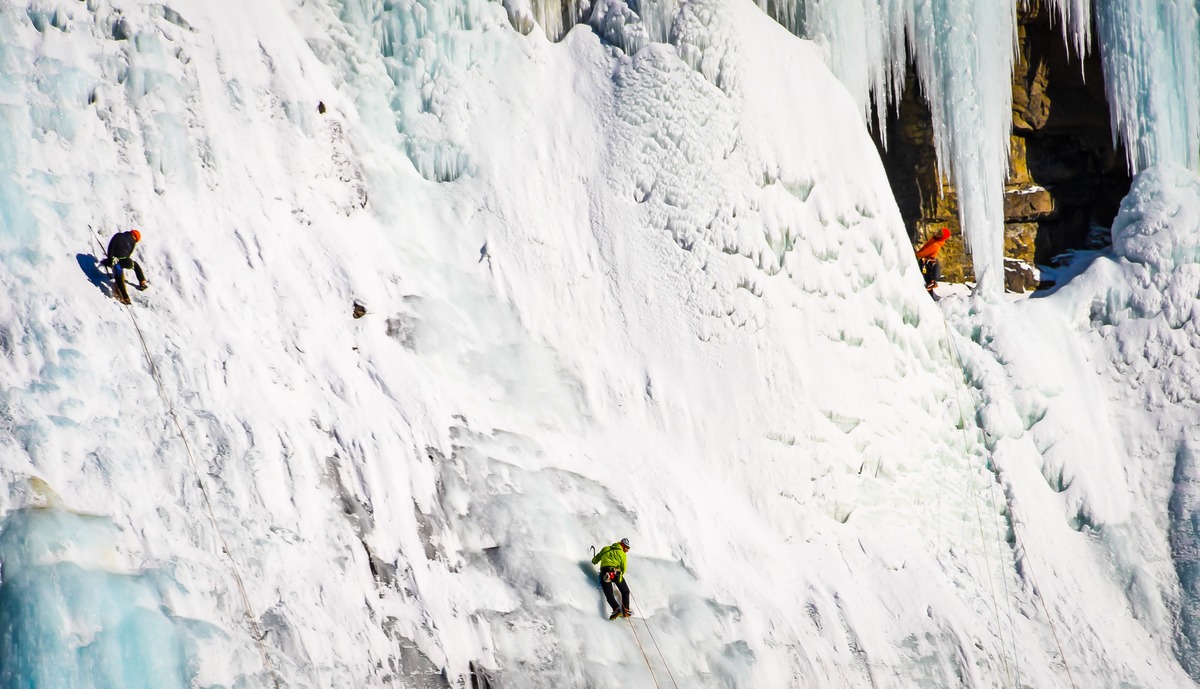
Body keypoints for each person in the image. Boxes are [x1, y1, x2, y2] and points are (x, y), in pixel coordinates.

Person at [100, 229, 149, 304]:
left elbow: (110, 247)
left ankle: (125, 298)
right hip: (125, 260)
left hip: (115, 259)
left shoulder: (118, 235)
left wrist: (110, 260)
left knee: (118, 274)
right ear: (136, 237)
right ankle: (142, 282)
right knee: (135, 265)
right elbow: (127, 254)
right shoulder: (133, 243)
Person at [592, 538, 632, 620]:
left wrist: (594, 560)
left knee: (609, 594)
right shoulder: (622, 554)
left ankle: (616, 609)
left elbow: (595, 560)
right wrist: (620, 574)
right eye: (627, 548)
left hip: (605, 572)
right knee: (625, 591)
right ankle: (626, 610)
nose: (627, 550)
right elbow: (623, 568)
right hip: (616, 573)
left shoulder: (606, 549)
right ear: (622, 545)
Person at [915, 227, 951, 294]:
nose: (938, 233)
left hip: (926, 265)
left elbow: (922, 254)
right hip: (926, 264)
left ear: (942, 237)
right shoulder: (935, 240)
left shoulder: (935, 245)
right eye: (939, 231)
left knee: (924, 280)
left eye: (940, 233)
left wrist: (913, 254)